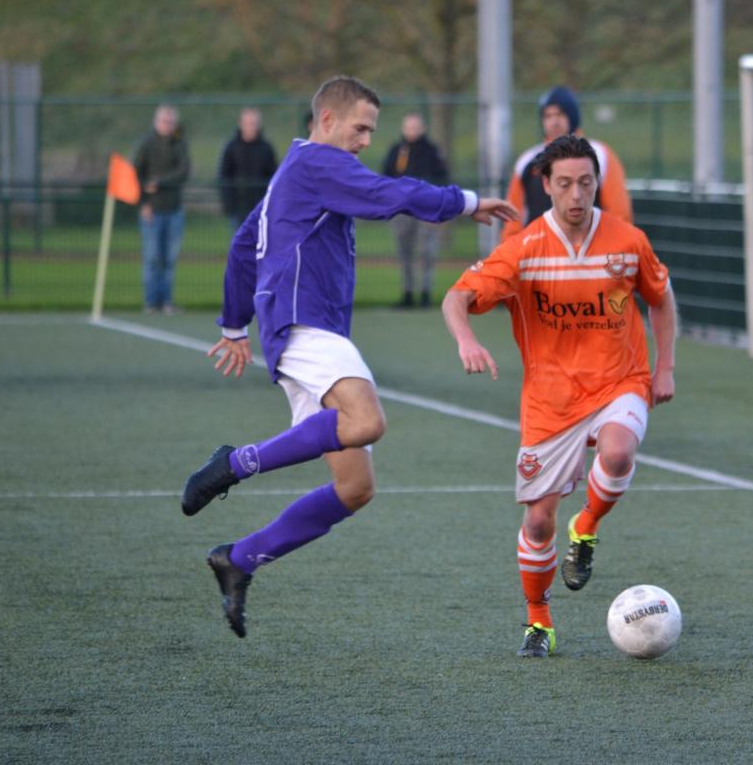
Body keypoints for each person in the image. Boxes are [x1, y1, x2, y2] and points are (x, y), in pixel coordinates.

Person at [180, 76, 519, 638]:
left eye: (372, 130)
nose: (365, 140)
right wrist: (464, 202)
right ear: (328, 120)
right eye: (361, 127)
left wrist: (234, 323)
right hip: (305, 322)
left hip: (297, 329)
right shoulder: (316, 163)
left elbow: (245, 243)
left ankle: (238, 560)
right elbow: (388, 196)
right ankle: (232, 464)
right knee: (367, 421)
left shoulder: (296, 171)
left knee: (355, 488)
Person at [442, 135, 677, 658]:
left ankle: (587, 525)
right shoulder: (524, 250)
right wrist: (467, 340)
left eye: (586, 183)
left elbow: (660, 298)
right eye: (565, 184)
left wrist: (664, 367)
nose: (577, 194)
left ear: (597, 184)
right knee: (538, 520)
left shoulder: (627, 241)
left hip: (621, 380)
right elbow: (456, 297)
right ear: (545, 185)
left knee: (618, 451)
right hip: (550, 402)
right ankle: (539, 622)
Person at [499, 85, 633, 242]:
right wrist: (512, 251)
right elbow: (513, 218)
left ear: (573, 116)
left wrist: (616, 248)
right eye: (548, 116)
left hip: (588, 250)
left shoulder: (600, 154)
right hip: (540, 253)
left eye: (560, 114)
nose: (554, 122)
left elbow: (619, 212)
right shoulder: (527, 161)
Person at [381, 113, 450, 307]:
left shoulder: (432, 152)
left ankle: (426, 293)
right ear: (403, 129)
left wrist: (437, 208)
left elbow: (442, 179)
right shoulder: (397, 150)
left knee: (427, 252)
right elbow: (386, 177)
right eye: (408, 127)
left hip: (426, 212)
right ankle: (408, 293)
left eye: (416, 127)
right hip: (402, 212)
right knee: (405, 252)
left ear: (423, 128)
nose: (412, 131)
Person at [134, 104, 191, 314]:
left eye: (171, 122)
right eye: (164, 121)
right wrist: (144, 202)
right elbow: (136, 175)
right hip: (152, 211)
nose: (167, 125)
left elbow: (183, 172)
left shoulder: (179, 144)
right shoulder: (146, 144)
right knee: (152, 258)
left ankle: (167, 302)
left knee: (169, 259)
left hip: (174, 209)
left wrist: (159, 182)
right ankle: (151, 303)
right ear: (156, 122)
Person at [218, 108, 278, 231]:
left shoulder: (266, 148)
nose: (252, 127)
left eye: (254, 123)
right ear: (241, 124)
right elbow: (224, 176)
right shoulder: (231, 147)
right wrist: (229, 204)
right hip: (238, 208)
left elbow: (274, 176)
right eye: (249, 123)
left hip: (260, 207)